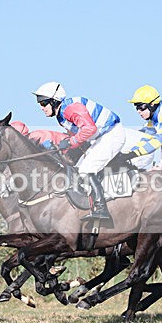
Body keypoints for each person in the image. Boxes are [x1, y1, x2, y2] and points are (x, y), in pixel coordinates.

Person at [33, 81, 125, 221]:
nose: (41, 107)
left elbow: (89, 129)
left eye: (43, 103)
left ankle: (101, 209)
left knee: (86, 170)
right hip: (100, 138)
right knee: (77, 169)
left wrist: (69, 143)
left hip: (111, 135)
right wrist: (58, 148)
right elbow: (76, 137)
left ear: (54, 101)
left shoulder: (70, 108)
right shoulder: (61, 115)